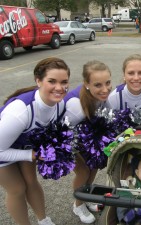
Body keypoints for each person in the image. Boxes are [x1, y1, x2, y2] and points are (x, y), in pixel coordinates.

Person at [0, 57, 70, 225]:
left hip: (25, 144)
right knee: (17, 189)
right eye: (52, 81)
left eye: (64, 82)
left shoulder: (59, 105)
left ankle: (43, 219)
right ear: (38, 81)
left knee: (31, 181)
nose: (59, 88)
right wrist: (32, 154)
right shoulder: (20, 111)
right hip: (2, 149)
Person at [64, 60, 112, 224]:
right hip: (68, 139)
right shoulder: (75, 106)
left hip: (86, 136)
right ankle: (78, 205)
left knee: (93, 168)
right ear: (86, 84)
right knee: (83, 171)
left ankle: (86, 196)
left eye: (108, 83)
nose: (105, 89)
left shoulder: (103, 96)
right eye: (98, 85)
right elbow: (59, 133)